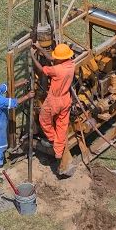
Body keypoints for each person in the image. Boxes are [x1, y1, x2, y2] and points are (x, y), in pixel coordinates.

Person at [33, 42, 77, 178]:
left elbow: (42, 70)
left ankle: (53, 140)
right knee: (62, 126)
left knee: (44, 120)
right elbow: (53, 59)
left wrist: (32, 57)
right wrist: (40, 48)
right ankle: (59, 150)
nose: (54, 58)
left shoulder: (57, 70)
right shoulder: (71, 64)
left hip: (54, 100)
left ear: (60, 58)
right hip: (66, 99)